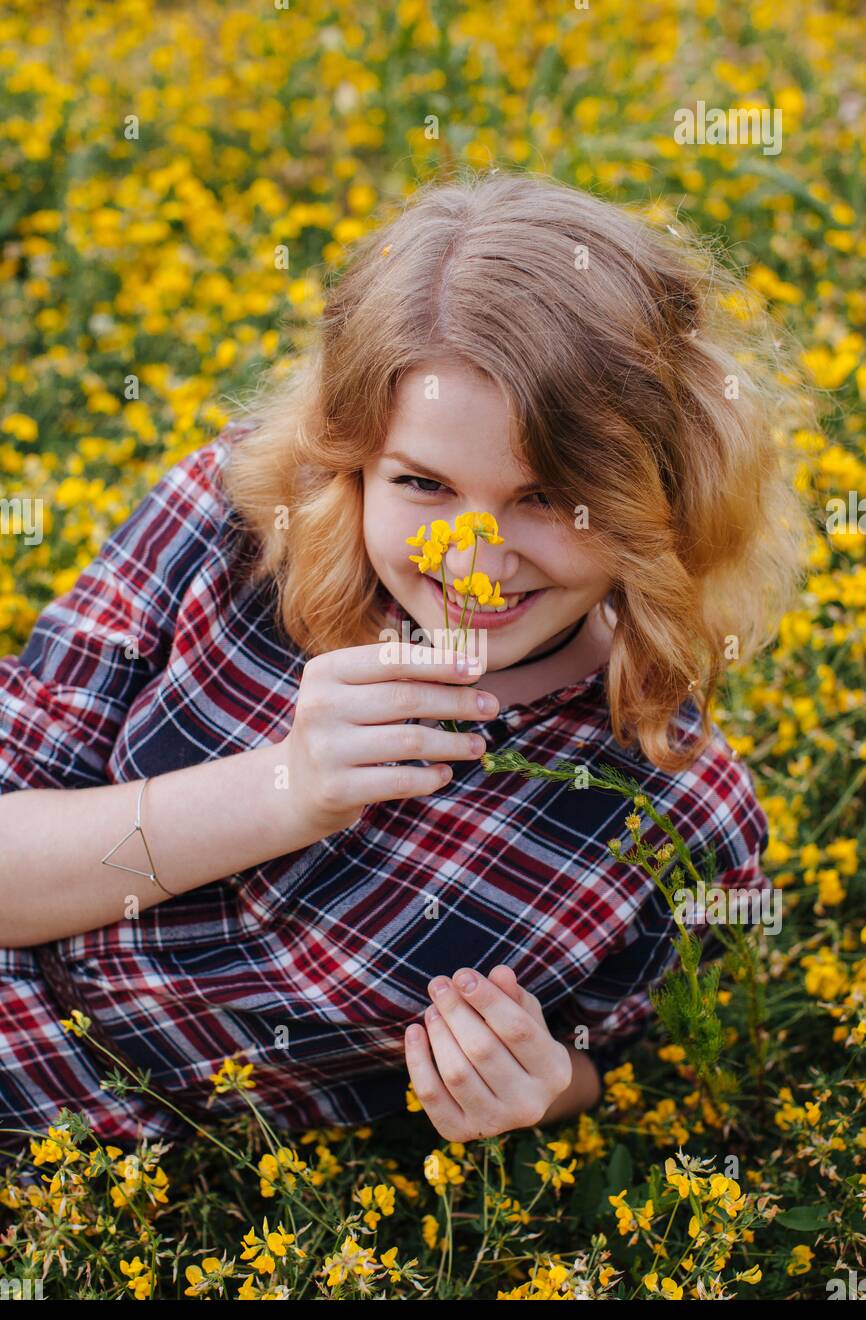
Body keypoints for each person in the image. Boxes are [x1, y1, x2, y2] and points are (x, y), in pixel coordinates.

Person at [0, 170, 814, 1146]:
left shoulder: (673, 812)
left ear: (664, 495)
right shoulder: (226, 530)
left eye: (547, 497)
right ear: (350, 455)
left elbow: (618, 1054)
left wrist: (541, 1084)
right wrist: (282, 792)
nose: (472, 564)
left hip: (108, 1173)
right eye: (423, 482)